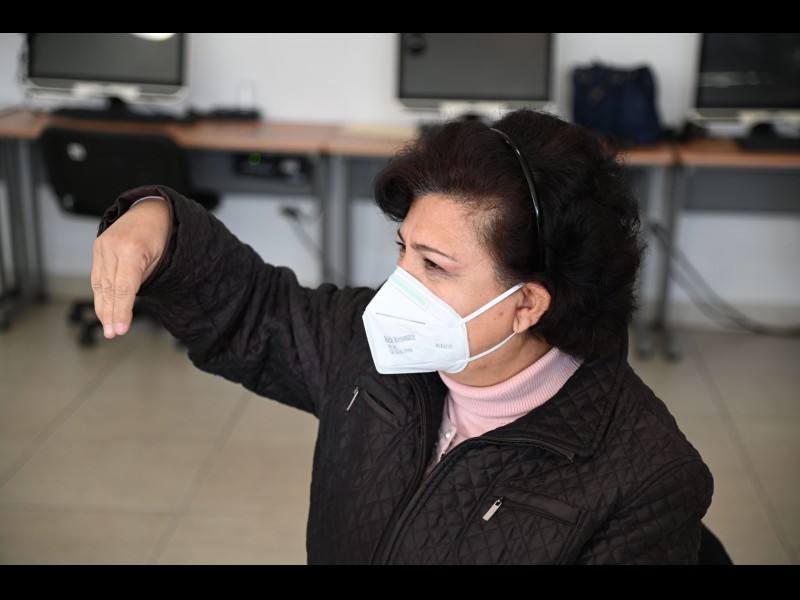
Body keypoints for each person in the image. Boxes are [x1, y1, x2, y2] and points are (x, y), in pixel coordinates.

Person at [91, 108, 713, 564]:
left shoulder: (646, 479)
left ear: (527, 304)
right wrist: (159, 222)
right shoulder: (371, 348)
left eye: (434, 265)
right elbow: (256, 310)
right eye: (403, 249)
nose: (398, 286)